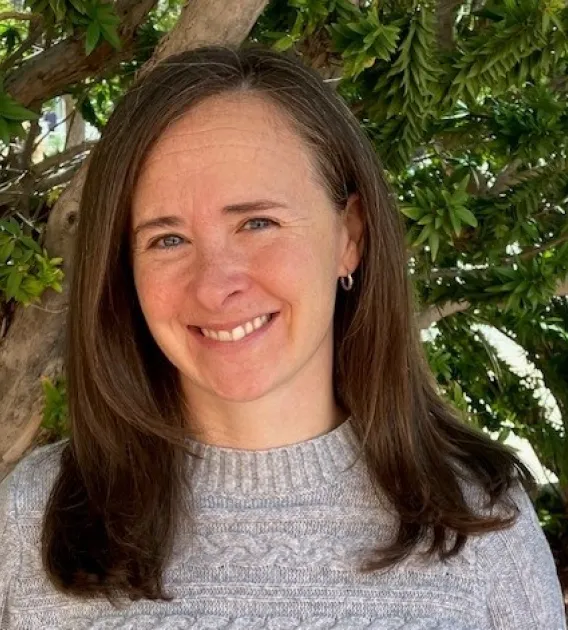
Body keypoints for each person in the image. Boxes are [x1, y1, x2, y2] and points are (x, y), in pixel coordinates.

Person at [0, 44, 565, 630]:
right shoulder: (32, 521)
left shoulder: (480, 520)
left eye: (257, 223)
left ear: (349, 236)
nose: (216, 286)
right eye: (166, 239)